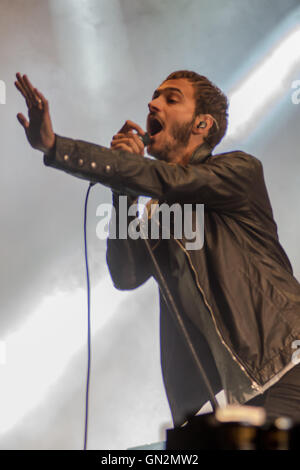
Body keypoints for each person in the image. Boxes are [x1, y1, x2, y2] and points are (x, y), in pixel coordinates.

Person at [15, 71, 300, 427]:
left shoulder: (238, 171)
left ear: (202, 124)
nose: (153, 104)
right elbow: (127, 274)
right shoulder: (160, 213)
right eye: (155, 97)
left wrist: (55, 146)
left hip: (288, 362)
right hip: (247, 391)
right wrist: (123, 192)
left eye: (171, 98)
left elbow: (172, 181)